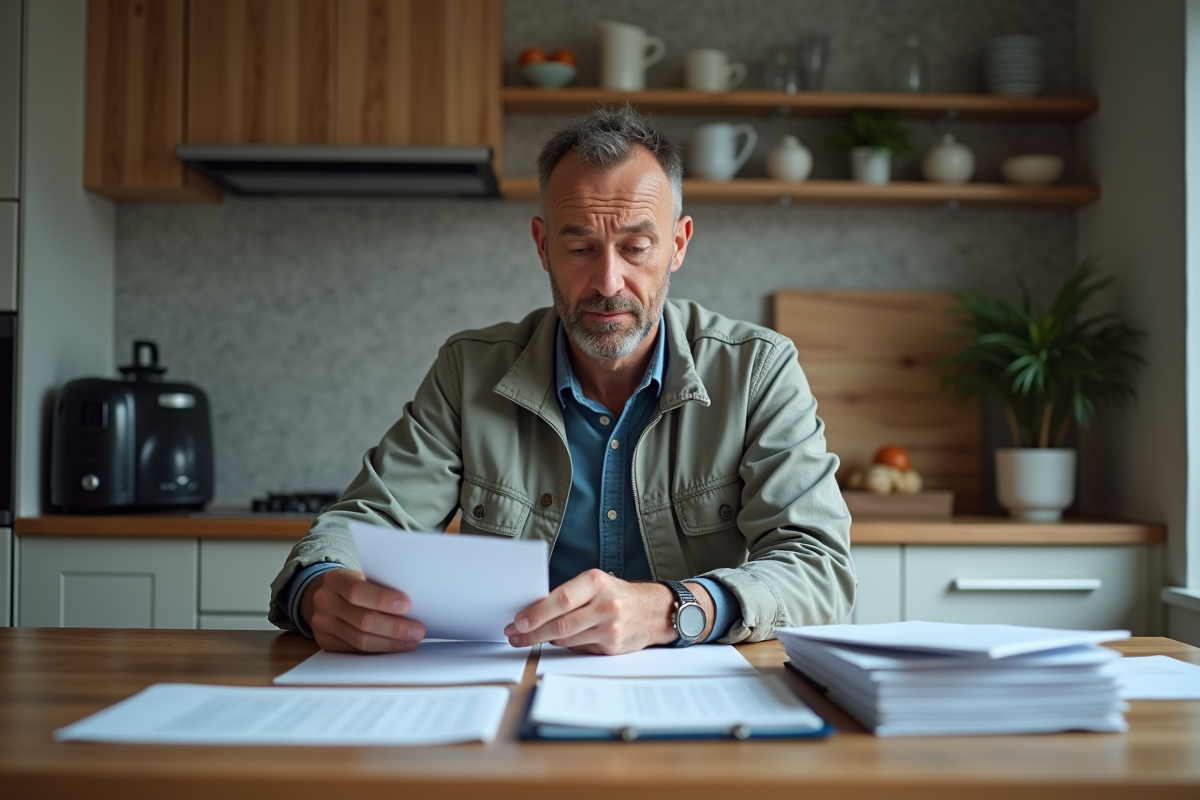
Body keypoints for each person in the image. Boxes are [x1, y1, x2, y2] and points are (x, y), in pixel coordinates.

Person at [268, 106, 855, 655]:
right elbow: (364, 522)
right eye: (579, 246)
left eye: (636, 247)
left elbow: (820, 568)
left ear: (677, 246)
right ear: (543, 245)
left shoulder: (758, 370)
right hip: (504, 685)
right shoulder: (469, 369)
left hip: (688, 691)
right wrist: (319, 589)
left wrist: (675, 609)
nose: (607, 281)